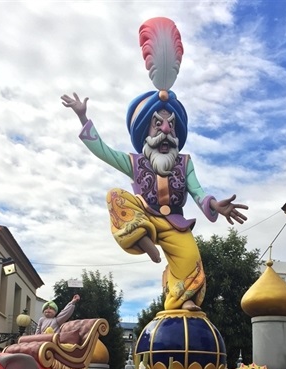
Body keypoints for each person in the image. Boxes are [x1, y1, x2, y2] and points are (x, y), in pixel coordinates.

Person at [60, 19, 247, 312]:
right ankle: (142, 238)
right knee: (115, 196)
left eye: (171, 126)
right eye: (157, 124)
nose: (165, 131)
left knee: (193, 262)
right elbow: (103, 151)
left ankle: (181, 300)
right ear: (145, 131)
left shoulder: (184, 162)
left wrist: (214, 205)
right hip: (144, 216)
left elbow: (198, 192)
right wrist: (83, 118)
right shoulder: (134, 162)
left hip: (175, 223)